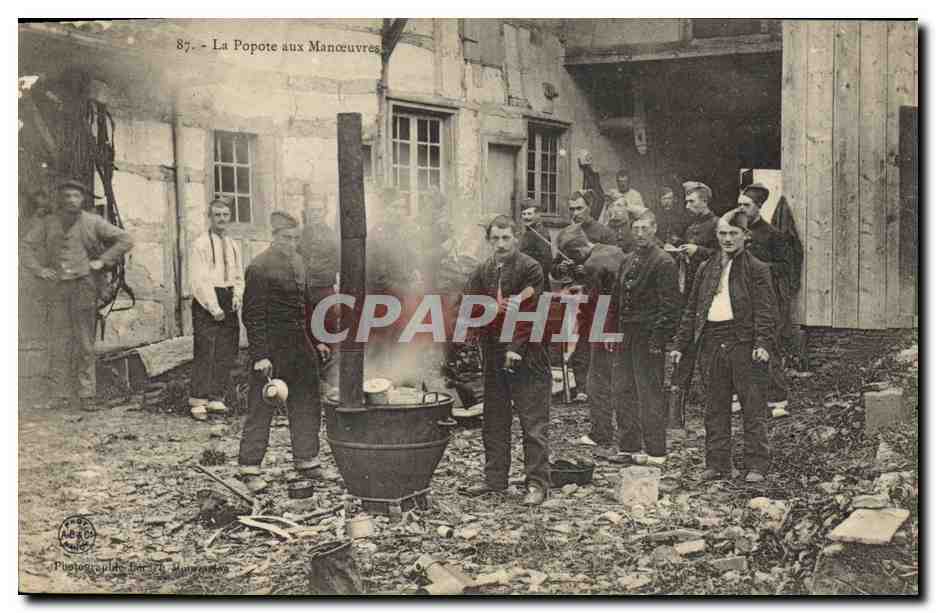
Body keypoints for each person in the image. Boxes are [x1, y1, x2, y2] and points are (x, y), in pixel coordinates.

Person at [671, 209, 775, 483]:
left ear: (745, 235)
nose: (727, 239)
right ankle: (717, 464)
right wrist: (680, 343)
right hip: (711, 341)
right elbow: (693, 309)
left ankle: (757, 464)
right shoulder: (706, 268)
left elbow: (766, 310)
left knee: (752, 405)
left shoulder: (757, 268)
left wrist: (762, 343)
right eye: (722, 233)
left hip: (743, 342)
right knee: (715, 406)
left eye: (733, 233)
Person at [238, 211, 332, 493]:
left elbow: (306, 308)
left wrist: (316, 341)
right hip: (272, 348)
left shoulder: (300, 263)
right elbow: (253, 315)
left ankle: (307, 460)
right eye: (285, 238)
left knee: (307, 402)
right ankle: (249, 467)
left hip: (300, 346)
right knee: (262, 406)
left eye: (294, 238)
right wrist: (260, 356)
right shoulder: (259, 267)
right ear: (274, 236)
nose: (290, 243)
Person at [460, 215, 551, 506]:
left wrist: (515, 348)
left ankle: (537, 483)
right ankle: (495, 479)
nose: (500, 244)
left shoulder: (530, 268)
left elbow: (530, 311)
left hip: (528, 353)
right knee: (494, 418)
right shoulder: (483, 270)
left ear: (516, 238)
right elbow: (470, 304)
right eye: (495, 239)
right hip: (494, 353)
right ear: (489, 240)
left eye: (506, 238)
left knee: (532, 421)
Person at [22, 179, 133, 412]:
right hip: (57, 289)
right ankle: (59, 394)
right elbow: (25, 247)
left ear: (83, 199)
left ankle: (86, 394)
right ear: (60, 199)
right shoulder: (48, 223)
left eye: (76, 196)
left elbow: (125, 239)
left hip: (84, 287)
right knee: (59, 341)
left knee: (84, 342)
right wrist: (40, 270)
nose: (71, 200)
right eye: (67, 196)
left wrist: (102, 261)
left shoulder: (93, 222)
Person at [608, 211, 681, 464]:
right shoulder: (627, 260)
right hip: (626, 335)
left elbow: (670, 306)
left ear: (654, 229)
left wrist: (658, 340)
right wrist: (612, 331)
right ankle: (628, 446)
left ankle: (656, 450)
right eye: (636, 229)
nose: (639, 234)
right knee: (622, 389)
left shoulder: (664, 262)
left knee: (649, 392)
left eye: (645, 229)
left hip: (648, 336)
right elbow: (616, 300)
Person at [553, 223, 625, 456]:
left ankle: (601, 434)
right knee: (623, 380)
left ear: (576, 251)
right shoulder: (613, 250)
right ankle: (630, 432)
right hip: (626, 323)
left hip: (605, 324)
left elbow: (596, 301)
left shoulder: (592, 265)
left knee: (597, 381)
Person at [552, 191, 615, 401]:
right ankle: (581, 387)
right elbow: (554, 268)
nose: (575, 213)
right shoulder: (566, 233)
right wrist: (561, 268)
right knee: (576, 338)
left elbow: (612, 266)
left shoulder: (604, 233)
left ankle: (600, 385)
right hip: (574, 293)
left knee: (597, 338)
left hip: (599, 295)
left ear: (590, 207)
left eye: (579, 208)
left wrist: (587, 269)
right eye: (571, 209)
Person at [737, 183, 793, 417]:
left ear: (758, 206)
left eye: (746, 205)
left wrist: (760, 269)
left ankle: (777, 399)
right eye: (739, 205)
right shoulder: (734, 232)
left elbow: (785, 266)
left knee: (768, 346)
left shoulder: (773, 234)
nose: (741, 209)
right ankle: (742, 397)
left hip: (765, 299)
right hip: (741, 298)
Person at [188, 197, 244, 420]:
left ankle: (216, 397)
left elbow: (238, 274)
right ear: (210, 218)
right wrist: (213, 307)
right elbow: (199, 279)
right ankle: (198, 399)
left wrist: (237, 296)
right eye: (217, 215)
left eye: (225, 215)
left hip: (228, 296)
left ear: (230, 217)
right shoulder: (200, 244)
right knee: (206, 350)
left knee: (226, 349)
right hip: (207, 300)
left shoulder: (233, 245)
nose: (221, 219)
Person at [669, 181, 721, 405]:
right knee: (686, 337)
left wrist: (698, 250)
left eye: (691, 201)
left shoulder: (718, 225)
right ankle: (680, 391)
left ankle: (715, 392)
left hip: (709, 290)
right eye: (686, 201)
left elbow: (722, 255)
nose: (687, 205)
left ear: (704, 201)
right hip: (690, 289)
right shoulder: (690, 227)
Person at [518, 199, 553, 285]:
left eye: (529, 214)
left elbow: (546, 263)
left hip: (535, 280)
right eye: (523, 214)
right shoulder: (529, 231)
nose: (526, 217)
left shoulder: (541, 233)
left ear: (538, 215)